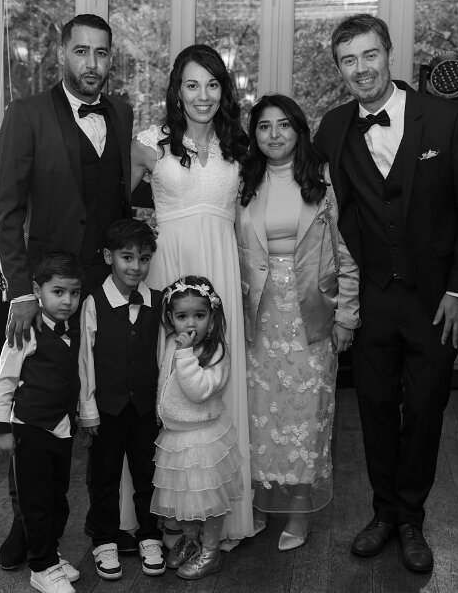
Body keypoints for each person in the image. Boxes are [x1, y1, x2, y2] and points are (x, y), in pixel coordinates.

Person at [314, 14, 458, 573]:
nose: (361, 69)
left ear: (389, 54)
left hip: (435, 299)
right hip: (370, 298)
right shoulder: (333, 128)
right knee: (372, 407)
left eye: (369, 55)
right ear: (339, 69)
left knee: (426, 406)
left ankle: (412, 517)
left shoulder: (445, 119)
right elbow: (310, 198)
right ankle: (384, 513)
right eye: (348, 60)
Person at [0, 14, 135, 570]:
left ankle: (105, 522)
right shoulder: (26, 114)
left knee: (103, 402)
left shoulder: (120, 112)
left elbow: (116, 198)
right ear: (61, 55)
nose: (92, 64)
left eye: (101, 53)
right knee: (37, 408)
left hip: (107, 285)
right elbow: (8, 212)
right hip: (51, 290)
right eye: (81, 51)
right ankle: (25, 521)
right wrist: (22, 292)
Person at [131, 44, 255, 546]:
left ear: (224, 90)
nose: (203, 95)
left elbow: (249, 221)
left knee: (215, 382)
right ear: (177, 91)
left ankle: (219, 516)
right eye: (192, 84)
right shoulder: (148, 144)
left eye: (212, 84)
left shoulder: (239, 147)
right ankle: (170, 517)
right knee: (171, 385)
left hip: (221, 272)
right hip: (170, 271)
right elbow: (118, 215)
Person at [235, 94, 361, 551]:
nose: (274, 134)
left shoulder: (323, 180)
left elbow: (346, 251)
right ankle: (258, 502)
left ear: (299, 130)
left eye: (284, 124)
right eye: (264, 126)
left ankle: (299, 511)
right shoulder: (243, 182)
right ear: (254, 135)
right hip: (258, 316)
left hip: (311, 314)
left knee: (307, 415)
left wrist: (347, 315)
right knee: (258, 412)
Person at [0, 252, 85, 593]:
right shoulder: (25, 332)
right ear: (37, 290)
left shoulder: (75, 329)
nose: (67, 301)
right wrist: (3, 429)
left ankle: (49, 553)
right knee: (35, 502)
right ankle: (41, 567)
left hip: (62, 429)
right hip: (29, 429)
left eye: (74, 293)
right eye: (58, 292)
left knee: (58, 498)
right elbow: (3, 382)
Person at [77, 219, 165, 580]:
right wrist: (88, 409)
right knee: (104, 477)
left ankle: (150, 535)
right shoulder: (93, 302)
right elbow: (85, 359)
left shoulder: (157, 302)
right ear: (108, 256)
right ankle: (104, 539)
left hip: (145, 409)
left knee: (148, 474)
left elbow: (162, 357)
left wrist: (160, 406)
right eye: (127, 257)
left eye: (143, 259)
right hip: (107, 410)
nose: (135, 266)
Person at [152, 276, 245, 580]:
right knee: (186, 495)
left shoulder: (215, 351)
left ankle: (211, 550)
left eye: (199, 315)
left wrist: (185, 354)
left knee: (207, 496)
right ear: (171, 318)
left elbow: (198, 391)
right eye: (182, 316)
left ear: (212, 317)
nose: (191, 323)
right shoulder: (172, 342)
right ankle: (191, 540)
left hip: (203, 437)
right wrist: (160, 413)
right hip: (176, 435)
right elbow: (166, 382)